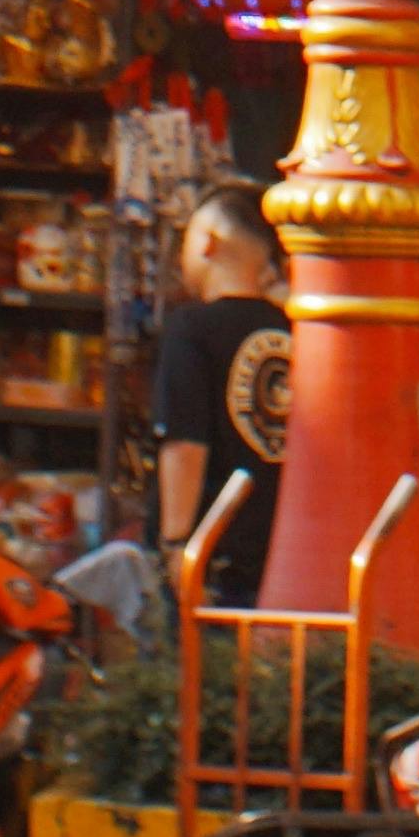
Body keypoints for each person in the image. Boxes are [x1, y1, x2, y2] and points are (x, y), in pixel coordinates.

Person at [152, 184, 289, 601]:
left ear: (208, 242)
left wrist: (177, 544)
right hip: (281, 554)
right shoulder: (296, 329)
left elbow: (185, 444)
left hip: (214, 558)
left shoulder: (191, 329)